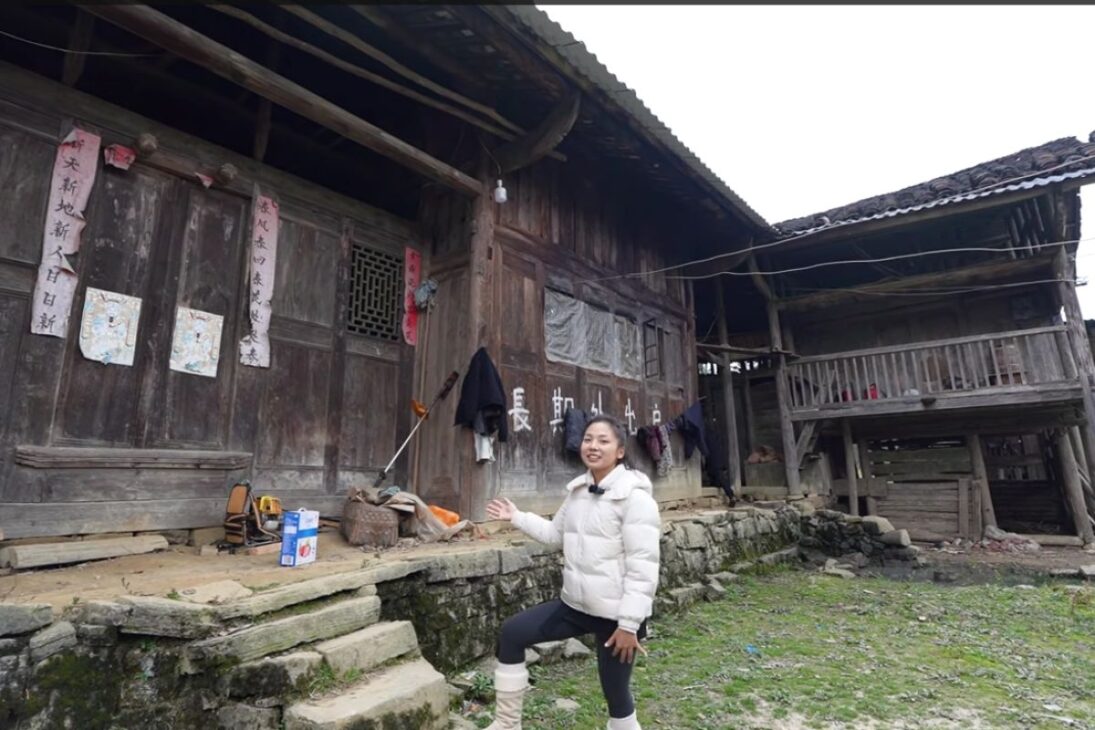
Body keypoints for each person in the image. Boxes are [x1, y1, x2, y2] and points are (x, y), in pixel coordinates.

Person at [484, 414, 661, 730]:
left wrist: (630, 624)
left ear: (620, 451)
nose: (593, 446)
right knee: (512, 634)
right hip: (574, 605)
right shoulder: (578, 492)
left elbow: (643, 567)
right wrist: (516, 517)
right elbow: (554, 534)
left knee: (616, 692)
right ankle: (507, 724)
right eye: (588, 439)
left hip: (616, 615)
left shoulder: (636, 500)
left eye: (603, 441)